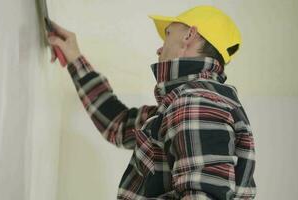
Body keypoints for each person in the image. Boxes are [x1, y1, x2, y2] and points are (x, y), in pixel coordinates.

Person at [48, 5, 256, 200]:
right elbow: (118, 124)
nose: (159, 49)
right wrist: (75, 58)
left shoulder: (196, 103)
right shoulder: (180, 104)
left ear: (188, 36)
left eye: (167, 34)